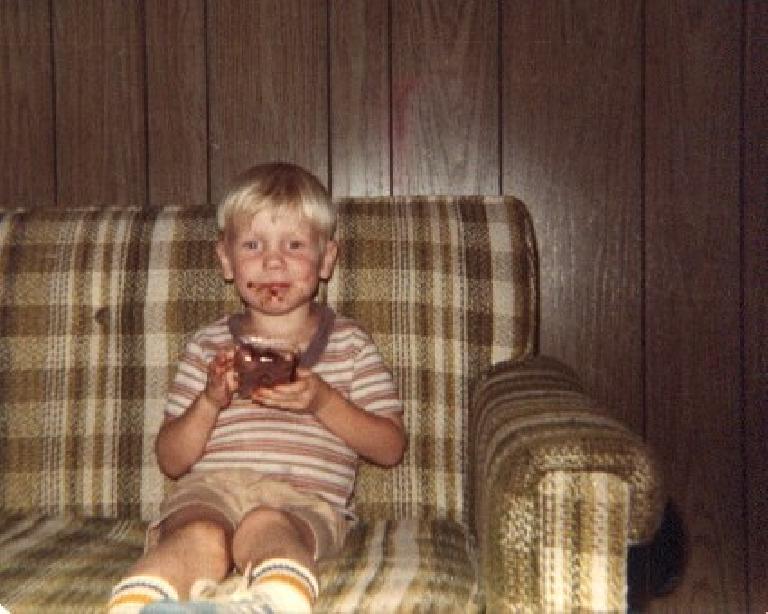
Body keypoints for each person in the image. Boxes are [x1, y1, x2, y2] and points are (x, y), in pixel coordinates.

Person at [108, 163, 406, 613]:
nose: (273, 261)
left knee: (267, 525)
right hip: (210, 491)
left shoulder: (350, 345)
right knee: (199, 534)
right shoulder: (207, 347)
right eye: (252, 245)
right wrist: (209, 402)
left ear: (326, 260)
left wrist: (323, 401)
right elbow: (171, 460)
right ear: (226, 261)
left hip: (303, 501)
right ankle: (136, 604)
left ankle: (271, 603)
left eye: (294, 245)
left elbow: (389, 447)